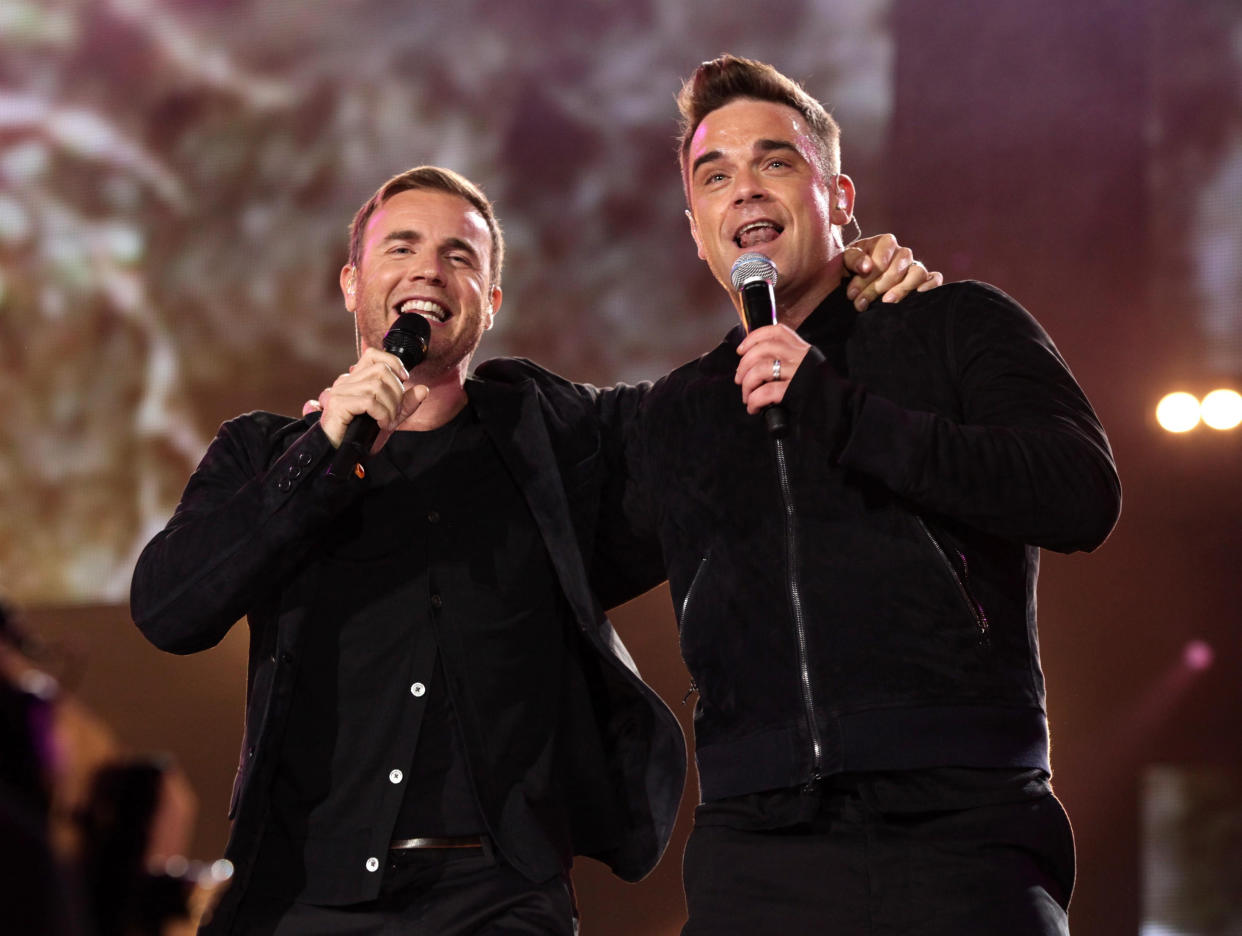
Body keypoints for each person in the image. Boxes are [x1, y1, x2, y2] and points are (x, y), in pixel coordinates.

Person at [130, 165, 934, 935]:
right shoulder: (263, 453)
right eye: (401, 247)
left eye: (459, 256)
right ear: (351, 283)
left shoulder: (557, 441)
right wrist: (321, 451)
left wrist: (826, 289)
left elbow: (709, 407)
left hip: (495, 901)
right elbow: (169, 610)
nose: (430, 272)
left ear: (491, 301)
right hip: (300, 895)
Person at [605, 56, 1122, 934]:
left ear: (839, 197)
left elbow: (1081, 494)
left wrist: (841, 412)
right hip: (753, 849)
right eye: (714, 175)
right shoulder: (680, 411)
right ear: (695, 228)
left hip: (962, 831)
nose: (744, 191)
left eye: (775, 162)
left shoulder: (955, 324)